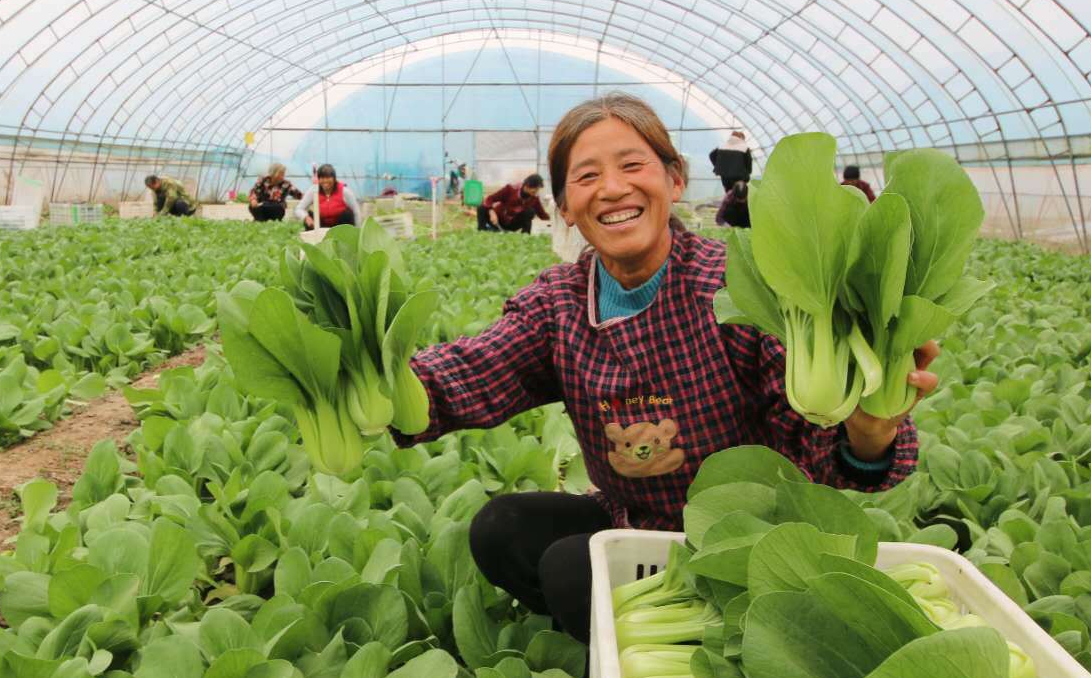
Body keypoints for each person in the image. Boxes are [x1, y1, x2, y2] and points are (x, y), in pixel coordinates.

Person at [398, 93, 940, 641]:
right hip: (631, 521)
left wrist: (868, 436)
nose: (613, 189)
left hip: (749, 537)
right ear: (564, 205)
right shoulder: (559, 302)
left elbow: (818, 446)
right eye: (586, 177)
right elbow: (476, 370)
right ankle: (663, 632)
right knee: (502, 529)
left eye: (633, 165)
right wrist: (377, 381)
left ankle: (732, 633)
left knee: (570, 572)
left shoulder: (738, 287)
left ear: (675, 179)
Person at [477, 174, 551, 233]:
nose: (536, 191)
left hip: (512, 225)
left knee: (530, 212)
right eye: (535, 189)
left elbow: (542, 215)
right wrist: (491, 212)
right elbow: (490, 199)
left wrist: (555, 218)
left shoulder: (534, 199)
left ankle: (525, 237)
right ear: (527, 186)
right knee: (482, 207)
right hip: (497, 221)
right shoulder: (510, 189)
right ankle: (482, 232)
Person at [295, 164, 359, 229]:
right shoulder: (314, 190)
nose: (325, 181)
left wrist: (357, 231)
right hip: (322, 225)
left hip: (339, 225)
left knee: (348, 214)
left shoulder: (345, 191)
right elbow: (299, 209)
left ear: (334, 178)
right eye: (322, 178)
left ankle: (345, 237)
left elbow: (356, 211)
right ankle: (314, 238)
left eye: (328, 178)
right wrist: (306, 217)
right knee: (309, 216)